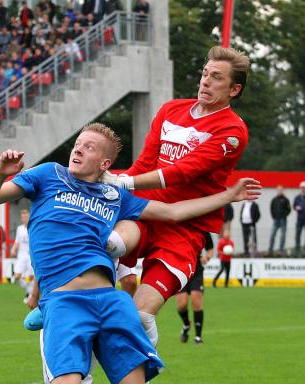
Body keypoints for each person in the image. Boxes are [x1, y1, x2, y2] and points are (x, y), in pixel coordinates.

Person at [0, 124, 259, 384]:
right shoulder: (48, 174)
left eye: (89, 147)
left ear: (105, 164)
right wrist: (0, 174)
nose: (78, 148)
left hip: (111, 301)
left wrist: (228, 195)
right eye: (78, 143)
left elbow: (173, 213)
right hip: (64, 302)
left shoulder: (113, 195)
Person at [100, 46, 251, 347]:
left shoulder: (233, 131)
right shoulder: (170, 110)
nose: (205, 81)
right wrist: (117, 187)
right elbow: (144, 164)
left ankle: (142, 360)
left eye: (216, 77)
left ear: (234, 89)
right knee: (107, 245)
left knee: (139, 315)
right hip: (144, 213)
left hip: (184, 230)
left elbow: (182, 171)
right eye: (205, 74)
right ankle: (49, 300)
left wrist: (121, 182)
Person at [176, 232, 214, 344]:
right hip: (181, 269)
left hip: (196, 270)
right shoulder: (180, 226)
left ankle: (198, 337)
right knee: (181, 305)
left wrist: (207, 257)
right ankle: (186, 324)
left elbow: (210, 249)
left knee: (196, 302)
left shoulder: (202, 229)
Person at [10, 209, 34, 303]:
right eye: (22, 217)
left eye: (26, 216)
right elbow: (17, 241)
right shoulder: (19, 228)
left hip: (30, 256)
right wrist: (13, 249)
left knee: (31, 277)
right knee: (17, 276)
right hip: (21, 255)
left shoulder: (33, 227)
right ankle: (28, 291)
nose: (24, 218)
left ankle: (30, 295)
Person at [268, 185, 291, 256]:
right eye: (278, 190)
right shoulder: (274, 200)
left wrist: (284, 215)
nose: (279, 191)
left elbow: (289, 209)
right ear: (276, 191)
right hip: (275, 220)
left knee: (282, 236)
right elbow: (271, 209)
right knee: (272, 235)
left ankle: (280, 251)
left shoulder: (286, 200)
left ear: (282, 191)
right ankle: (270, 251)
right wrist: (274, 216)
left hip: (283, 220)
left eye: (281, 190)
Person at [294, 181, 305, 257]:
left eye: (304, 188)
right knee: (298, 235)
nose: (303, 189)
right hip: (300, 219)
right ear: (300, 188)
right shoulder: (297, 197)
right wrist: (296, 208)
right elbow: (294, 206)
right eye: (302, 187)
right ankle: (297, 251)